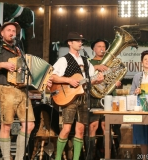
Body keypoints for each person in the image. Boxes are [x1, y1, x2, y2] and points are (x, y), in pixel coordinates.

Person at [0, 22, 53, 160]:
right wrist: (2, 64)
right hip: (6, 89)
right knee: (6, 125)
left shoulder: (19, 51)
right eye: (9, 30)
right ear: (2, 33)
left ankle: (18, 158)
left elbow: (30, 74)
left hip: (22, 91)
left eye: (14, 31)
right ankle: (7, 158)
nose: (12, 32)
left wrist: (43, 81)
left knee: (29, 125)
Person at [51, 32, 104, 160]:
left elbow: (89, 80)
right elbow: (52, 76)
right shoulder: (64, 59)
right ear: (70, 43)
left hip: (84, 96)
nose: (80, 43)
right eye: (77, 41)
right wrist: (69, 80)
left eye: (81, 41)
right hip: (68, 97)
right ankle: (58, 158)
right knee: (67, 128)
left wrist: (98, 79)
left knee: (80, 130)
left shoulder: (86, 61)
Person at [85, 39, 121, 160]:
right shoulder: (88, 62)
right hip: (93, 97)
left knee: (107, 126)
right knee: (93, 126)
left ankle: (107, 155)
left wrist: (116, 82)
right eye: (99, 46)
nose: (101, 48)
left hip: (108, 96)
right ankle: (90, 156)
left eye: (104, 46)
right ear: (93, 49)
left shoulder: (111, 62)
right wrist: (95, 66)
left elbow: (115, 75)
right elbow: (83, 75)